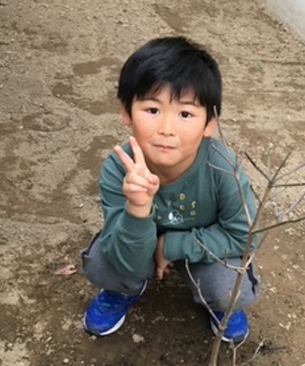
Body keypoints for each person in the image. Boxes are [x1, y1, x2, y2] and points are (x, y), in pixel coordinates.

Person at [80, 36, 259, 343]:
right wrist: (137, 207)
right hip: (140, 248)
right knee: (102, 263)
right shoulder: (117, 169)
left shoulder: (222, 167)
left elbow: (244, 236)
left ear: (209, 123)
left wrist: (171, 246)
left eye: (185, 114)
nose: (167, 128)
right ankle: (125, 289)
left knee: (229, 290)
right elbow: (123, 255)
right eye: (152, 109)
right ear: (126, 111)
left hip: (204, 248)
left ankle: (217, 304)